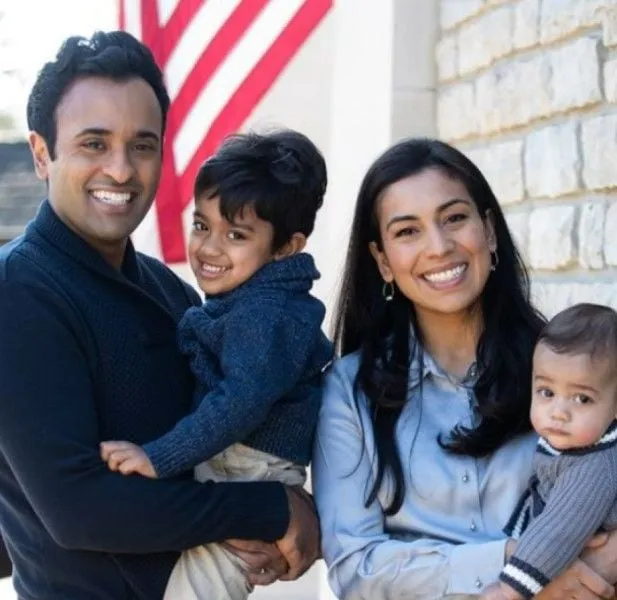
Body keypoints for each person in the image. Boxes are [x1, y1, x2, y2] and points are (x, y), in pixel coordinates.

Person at [0, 31, 319, 600]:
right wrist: (273, 509)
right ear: (42, 153)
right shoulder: (20, 290)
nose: (121, 170)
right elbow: (78, 509)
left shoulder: (169, 288)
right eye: (94, 144)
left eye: (142, 145)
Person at [312, 137, 617, 600]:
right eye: (407, 231)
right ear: (382, 262)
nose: (439, 247)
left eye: (454, 218)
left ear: (489, 232)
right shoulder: (349, 391)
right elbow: (356, 568)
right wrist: (528, 566)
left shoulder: (575, 372)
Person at [99, 129, 333, 600]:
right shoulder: (247, 299)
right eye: (202, 225)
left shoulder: (267, 314)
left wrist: (158, 456)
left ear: (287, 246)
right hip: (230, 461)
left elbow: (240, 402)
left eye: (236, 235)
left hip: (249, 468)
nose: (209, 248)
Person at [481, 303, 617, 600]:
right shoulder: (574, 445)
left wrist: (508, 591)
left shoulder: (595, 468)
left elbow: (557, 533)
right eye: (547, 392)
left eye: (582, 398)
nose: (559, 413)